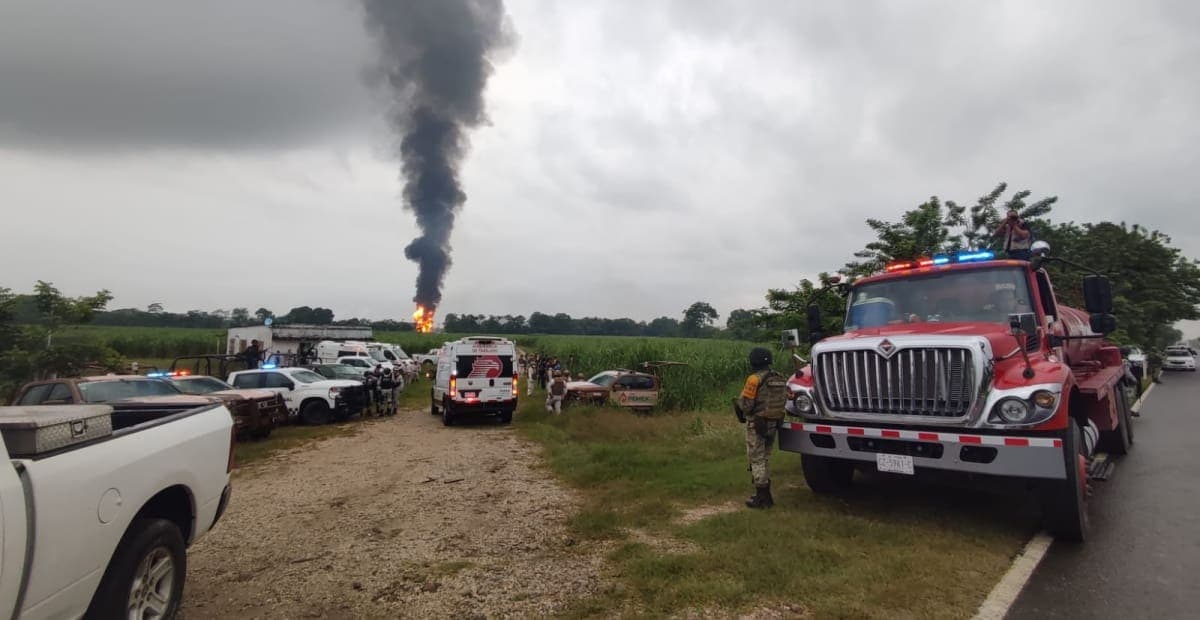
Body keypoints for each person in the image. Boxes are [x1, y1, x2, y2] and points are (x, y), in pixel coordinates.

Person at [735, 347, 788, 509]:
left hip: (757, 424)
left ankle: (762, 498)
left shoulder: (754, 379)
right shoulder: (779, 377)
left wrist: (739, 406)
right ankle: (766, 495)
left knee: (756, 459)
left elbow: (747, 405)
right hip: (774, 423)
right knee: (765, 457)